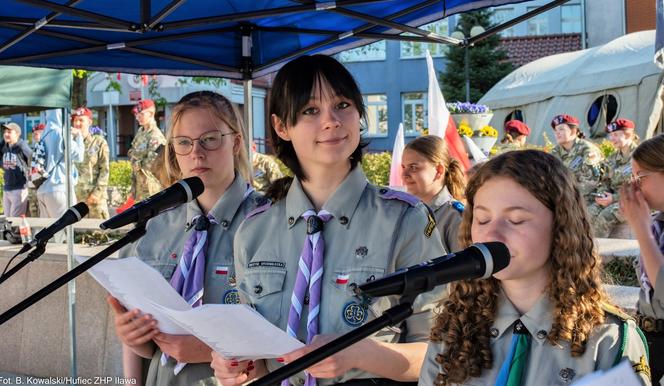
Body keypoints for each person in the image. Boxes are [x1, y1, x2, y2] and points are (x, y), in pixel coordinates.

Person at [211, 54, 446, 386]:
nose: (332, 121)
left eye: (343, 105)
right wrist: (235, 368)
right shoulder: (253, 230)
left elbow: (441, 353)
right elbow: (257, 362)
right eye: (310, 111)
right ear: (281, 126)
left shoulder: (404, 221)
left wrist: (356, 353)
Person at [419, 150, 650, 386]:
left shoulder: (607, 339)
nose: (491, 234)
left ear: (561, 228)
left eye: (516, 219)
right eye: (482, 219)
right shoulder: (455, 327)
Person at [108, 91, 261, 386]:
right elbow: (140, 344)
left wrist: (208, 349)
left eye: (210, 139)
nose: (196, 153)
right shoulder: (155, 226)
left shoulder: (270, 222)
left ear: (236, 142)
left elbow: (290, 329)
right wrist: (133, 335)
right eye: (184, 143)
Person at [619, 134, 664, 384]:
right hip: (649, 335)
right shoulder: (658, 224)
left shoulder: (649, 228)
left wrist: (640, 228)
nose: (634, 186)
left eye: (641, 178)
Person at [401, 135, 466, 253]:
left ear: (439, 170)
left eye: (414, 167)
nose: (404, 174)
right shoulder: (407, 212)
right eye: (403, 167)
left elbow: (464, 268)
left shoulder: (453, 217)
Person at [31, 109, 84, 229]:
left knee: (47, 232)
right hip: (59, 187)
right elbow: (79, 156)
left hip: (43, 188)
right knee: (66, 230)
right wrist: (79, 136)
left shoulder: (45, 132)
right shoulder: (61, 132)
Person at [588, 118, 639, 238]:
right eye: (610, 135)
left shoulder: (640, 156)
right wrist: (602, 195)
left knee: (606, 216)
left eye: (616, 134)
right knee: (589, 212)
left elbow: (643, 187)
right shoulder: (612, 158)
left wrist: (614, 198)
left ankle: (596, 252)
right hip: (613, 199)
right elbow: (605, 181)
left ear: (628, 135)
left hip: (634, 201)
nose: (612, 138)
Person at [550, 114, 603, 205]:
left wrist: (567, 196)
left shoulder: (587, 150)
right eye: (556, 130)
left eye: (561, 129)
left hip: (586, 199)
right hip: (563, 197)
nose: (557, 133)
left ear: (573, 131)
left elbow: (593, 181)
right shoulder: (555, 152)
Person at [71, 107, 110, 219]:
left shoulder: (98, 142)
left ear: (89, 122)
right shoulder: (70, 144)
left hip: (95, 200)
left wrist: (96, 193)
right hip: (75, 199)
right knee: (78, 235)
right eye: (75, 120)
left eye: (81, 120)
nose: (77, 123)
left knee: (99, 234)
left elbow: (105, 170)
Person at [128, 99, 167, 201]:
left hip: (151, 187)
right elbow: (131, 152)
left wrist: (137, 163)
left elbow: (155, 161)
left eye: (141, 114)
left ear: (151, 114)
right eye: (137, 114)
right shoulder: (141, 132)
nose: (137, 117)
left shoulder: (156, 135)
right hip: (138, 185)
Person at [0, 122, 32, 217]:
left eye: (9, 132)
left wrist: (28, 173)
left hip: (19, 188)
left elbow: (32, 158)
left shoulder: (22, 146)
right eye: (5, 132)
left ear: (17, 134)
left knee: (15, 220)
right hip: (7, 188)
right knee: (7, 220)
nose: (6, 134)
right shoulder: (4, 147)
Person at [26, 123, 44, 217]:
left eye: (38, 133)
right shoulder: (32, 151)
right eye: (34, 134)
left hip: (42, 186)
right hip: (32, 186)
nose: (35, 136)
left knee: (43, 212)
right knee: (33, 211)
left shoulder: (45, 148)